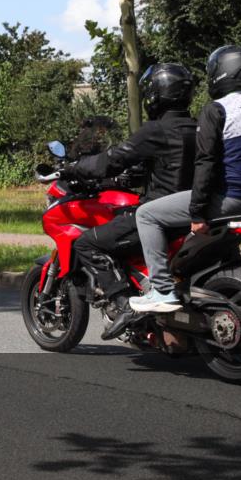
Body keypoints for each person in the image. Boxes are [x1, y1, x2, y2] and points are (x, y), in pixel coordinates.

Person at [131, 45, 241, 313]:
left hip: (226, 202)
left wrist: (198, 214)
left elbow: (206, 163)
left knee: (146, 214)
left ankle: (161, 290)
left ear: (221, 73)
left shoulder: (217, 110)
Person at [61, 63, 198, 339]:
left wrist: (75, 167)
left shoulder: (156, 130)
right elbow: (164, 167)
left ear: (154, 95)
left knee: (87, 243)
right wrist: (122, 179)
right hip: (192, 214)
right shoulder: (197, 128)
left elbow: (113, 160)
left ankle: (124, 303)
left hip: (160, 217)